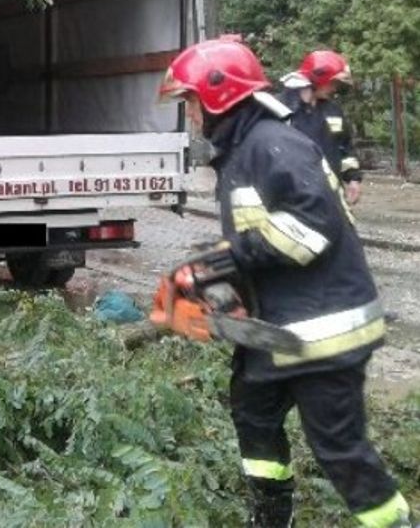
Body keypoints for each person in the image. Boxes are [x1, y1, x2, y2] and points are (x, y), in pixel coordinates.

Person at [158, 36, 410, 528]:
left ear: (217, 95)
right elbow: (259, 239)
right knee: (253, 419)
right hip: (276, 329)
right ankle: (271, 518)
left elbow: (310, 232)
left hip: (325, 334)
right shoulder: (244, 149)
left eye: (189, 101)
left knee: (339, 449)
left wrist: (225, 262)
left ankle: (393, 522)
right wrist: (211, 273)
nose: (188, 113)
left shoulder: (274, 146)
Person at [280, 49, 363, 205]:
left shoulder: (333, 111)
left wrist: (353, 179)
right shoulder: (283, 110)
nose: (334, 88)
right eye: (332, 83)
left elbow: (345, 148)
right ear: (319, 78)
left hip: (330, 198)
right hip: (294, 200)